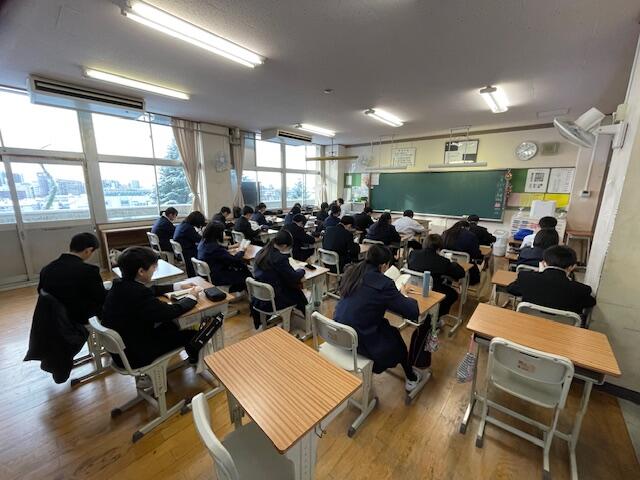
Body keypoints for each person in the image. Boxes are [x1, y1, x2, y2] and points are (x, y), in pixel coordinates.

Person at [334, 245, 422, 391]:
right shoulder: (384, 284)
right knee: (397, 341)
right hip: (361, 340)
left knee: (387, 329)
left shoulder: (352, 272)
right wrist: (403, 295)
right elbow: (412, 311)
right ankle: (411, 377)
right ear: (384, 265)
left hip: (339, 334)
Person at [102, 247, 202, 368]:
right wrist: (192, 297)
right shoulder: (138, 293)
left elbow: (151, 290)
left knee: (172, 325)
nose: (154, 270)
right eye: (153, 267)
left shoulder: (119, 285)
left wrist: (179, 286)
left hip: (124, 348)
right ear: (141, 271)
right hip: (136, 354)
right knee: (193, 334)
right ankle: (197, 361)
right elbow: (169, 312)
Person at [37, 232, 106, 325]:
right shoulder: (89, 271)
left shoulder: (46, 269)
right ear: (88, 250)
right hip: (80, 319)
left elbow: (41, 292)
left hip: (53, 319)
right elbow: (100, 298)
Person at [507, 245, 596, 315]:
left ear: (544, 262)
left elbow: (511, 289)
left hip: (527, 326)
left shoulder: (526, 277)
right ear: (572, 267)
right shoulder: (580, 290)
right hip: (562, 331)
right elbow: (590, 302)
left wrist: (539, 273)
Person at [251, 230, 308, 328]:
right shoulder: (280, 258)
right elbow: (293, 277)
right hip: (274, 300)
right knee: (299, 294)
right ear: (285, 246)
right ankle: (309, 323)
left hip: (259, 297)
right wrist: (302, 270)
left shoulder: (262, 252)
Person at [408, 234, 465, 317]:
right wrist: (453, 263)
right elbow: (460, 273)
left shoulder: (413, 254)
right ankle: (436, 317)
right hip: (431, 290)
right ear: (439, 248)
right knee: (453, 294)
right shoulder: (442, 261)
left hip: (413, 287)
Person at [197, 222, 252, 292]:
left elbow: (219, 250)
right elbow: (234, 260)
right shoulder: (216, 249)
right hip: (218, 276)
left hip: (209, 274)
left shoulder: (203, 243)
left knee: (242, 267)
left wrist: (229, 248)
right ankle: (237, 291)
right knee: (245, 271)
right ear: (217, 234)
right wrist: (241, 251)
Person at [442, 220, 481, 284]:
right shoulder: (471, 236)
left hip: (447, 264)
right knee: (476, 276)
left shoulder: (445, 233)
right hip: (464, 265)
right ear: (467, 227)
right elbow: (475, 254)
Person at [173, 211, 207, 277]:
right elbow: (200, 239)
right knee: (206, 252)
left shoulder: (182, 224)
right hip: (188, 252)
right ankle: (204, 273)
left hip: (182, 250)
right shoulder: (188, 228)